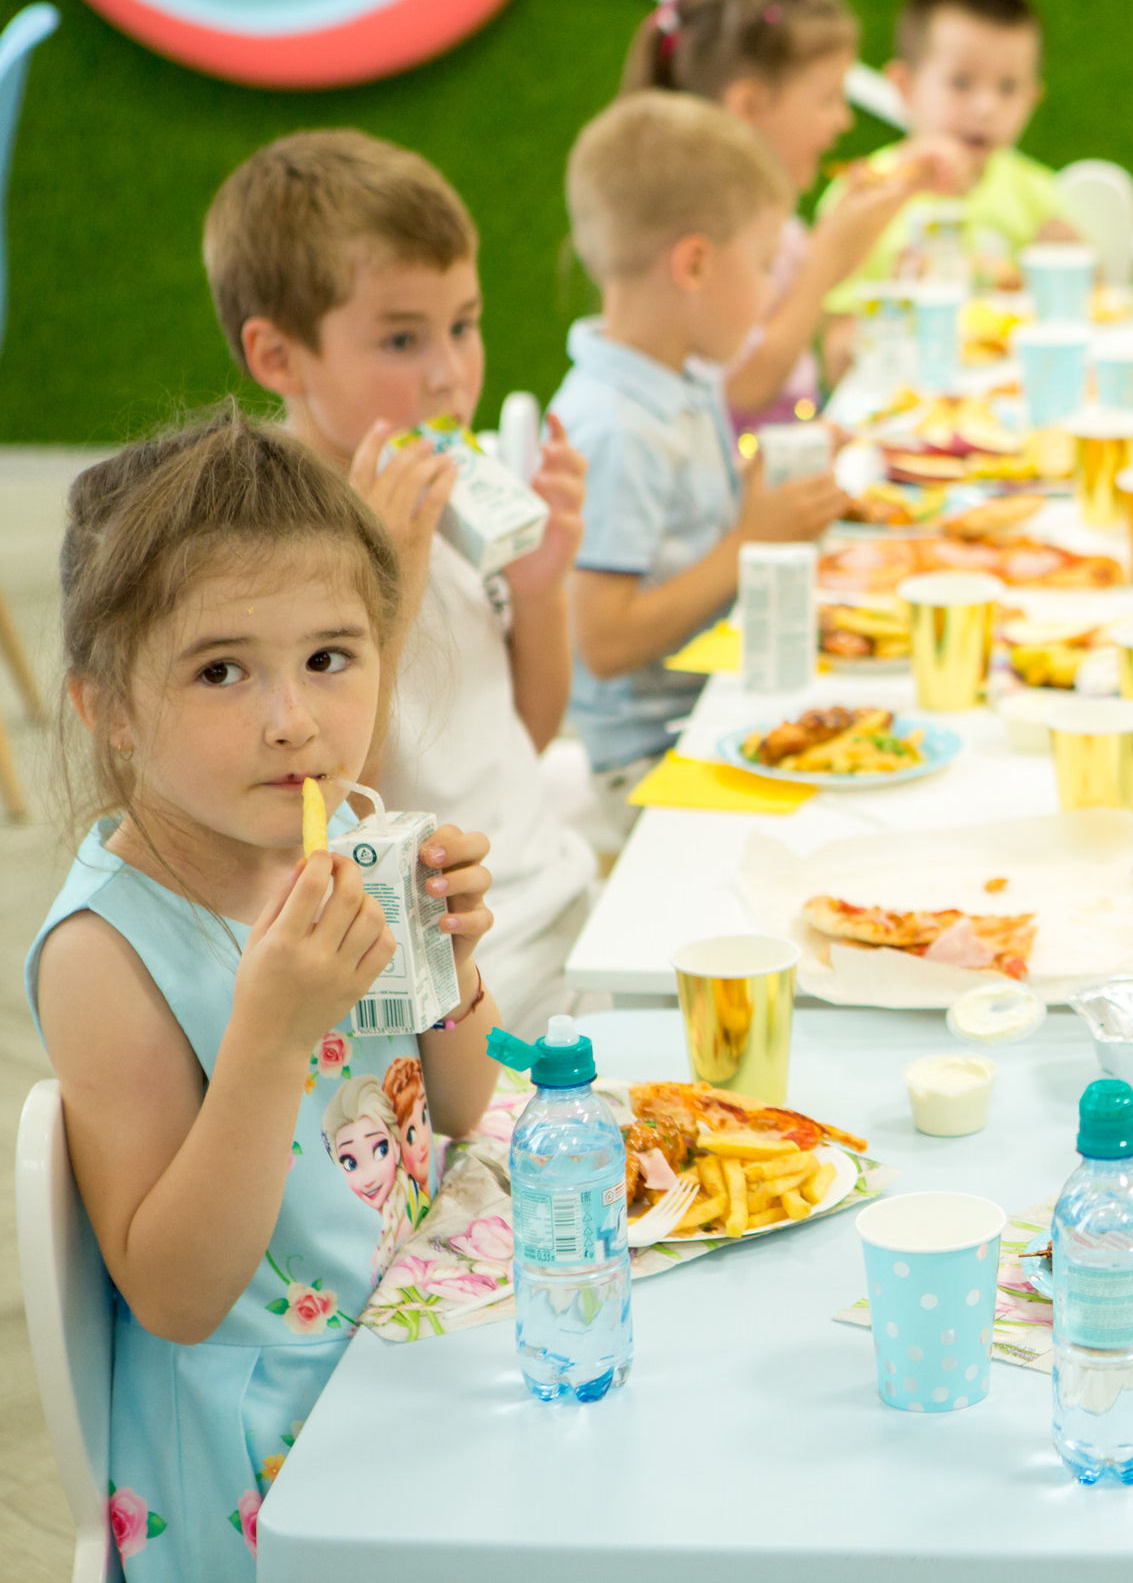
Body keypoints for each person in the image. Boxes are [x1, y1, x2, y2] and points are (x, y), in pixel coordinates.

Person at [29, 410, 502, 1580]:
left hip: (414, 1349)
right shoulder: (108, 950)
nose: (291, 719)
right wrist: (273, 1030)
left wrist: (453, 967)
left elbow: (456, 1109)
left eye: (329, 659)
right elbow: (178, 1295)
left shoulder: (347, 835)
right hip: (270, 1468)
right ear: (112, 713)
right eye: (222, 670)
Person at [207, 130, 597, 1035]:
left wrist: (539, 589)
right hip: (450, 988)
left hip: (557, 908)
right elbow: (326, 818)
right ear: (280, 358)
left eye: (464, 324)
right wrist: (385, 590)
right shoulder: (272, 559)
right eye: (400, 337)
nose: (448, 372)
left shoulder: (447, 492)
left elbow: (521, 732)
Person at [553, 93, 850, 819]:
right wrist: (751, 541)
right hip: (651, 759)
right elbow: (604, 640)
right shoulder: (618, 427)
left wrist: (763, 487)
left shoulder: (679, 376)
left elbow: (681, 536)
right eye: (764, 265)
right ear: (693, 263)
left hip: (707, 710)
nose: (769, 293)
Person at [621, 0, 962, 432]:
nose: (843, 119)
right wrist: (826, 259)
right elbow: (746, 388)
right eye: (827, 98)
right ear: (749, 107)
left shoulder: (772, 220)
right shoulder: (701, 236)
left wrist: (902, 189)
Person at [816, 0, 1079, 317]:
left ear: (1032, 99)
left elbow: (1093, 310)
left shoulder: (1038, 198)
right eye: (960, 82)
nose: (986, 107)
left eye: (1008, 87)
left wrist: (1071, 271)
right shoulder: (862, 197)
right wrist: (895, 307)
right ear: (904, 87)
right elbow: (835, 353)